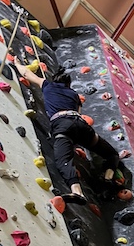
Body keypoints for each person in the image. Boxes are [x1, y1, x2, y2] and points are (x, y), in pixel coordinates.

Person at [12, 56, 127, 204]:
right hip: (80, 125)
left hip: (63, 126)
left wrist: (17, 63)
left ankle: (77, 192)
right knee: (111, 154)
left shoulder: (48, 85)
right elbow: (78, 111)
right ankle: (108, 178)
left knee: (63, 161)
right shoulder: (74, 95)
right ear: (68, 84)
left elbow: (27, 74)